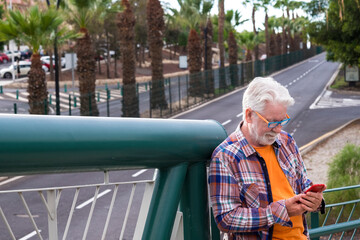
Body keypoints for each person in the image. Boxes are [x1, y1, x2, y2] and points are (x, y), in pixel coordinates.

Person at [208, 77, 326, 239]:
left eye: (282, 120)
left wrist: (315, 200)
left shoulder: (287, 141)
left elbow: (303, 184)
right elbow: (226, 219)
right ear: (249, 115)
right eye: (271, 123)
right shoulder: (226, 156)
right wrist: (280, 212)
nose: (278, 130)